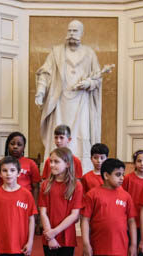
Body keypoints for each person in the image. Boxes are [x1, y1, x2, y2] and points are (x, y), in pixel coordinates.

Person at [35, 19, 103, 172]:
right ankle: (55, 168)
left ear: (82, 33)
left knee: (82, 134)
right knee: (58, 134)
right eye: (70, 30)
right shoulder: (56, 52)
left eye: (75, 31)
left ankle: (82, 171)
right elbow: (45, 73)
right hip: (60, 100)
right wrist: (40, 91)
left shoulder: (89, 53)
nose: (72, 34)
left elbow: (97, 79)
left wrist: (89, 84)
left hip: (82, 102)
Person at [39, 147, 83, 256]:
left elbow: (74, 214)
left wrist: (54, 233)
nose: (52, 165)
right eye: (51, 161)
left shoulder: (76, 186)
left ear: (67, 163)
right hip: (49, 237)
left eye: (57, 161)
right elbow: (43, 212)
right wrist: (50, 236)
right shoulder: (45, 185)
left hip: (66, 236)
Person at [0, 132, 41, 200]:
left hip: (25, 200)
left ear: (24, 147)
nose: (15, 147)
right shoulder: (0, 163)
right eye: (12, 144)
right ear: (7, 145)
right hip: (4, 199)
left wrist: (35, 205)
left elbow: (36, 187)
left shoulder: (31, 163)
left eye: (19, 144)